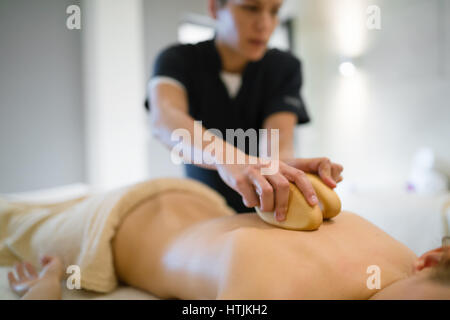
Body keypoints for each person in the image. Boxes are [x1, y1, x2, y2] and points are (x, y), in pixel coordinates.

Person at [7, 186, 450, 300]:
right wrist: (47, 289)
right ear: (431, 260)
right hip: (108, 229)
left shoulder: (401, 260)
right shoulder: (277, 287)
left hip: (196, 204)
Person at [146, 0, 343, 219]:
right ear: (214, 8)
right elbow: (165, 119)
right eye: (251, 8)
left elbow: (278, 144)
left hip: (262, 213)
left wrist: (285, 171)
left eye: (275, 11)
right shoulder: (177, 60)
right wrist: (227, 158)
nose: (265, 24)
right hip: (202, 211)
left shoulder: (284, 67)